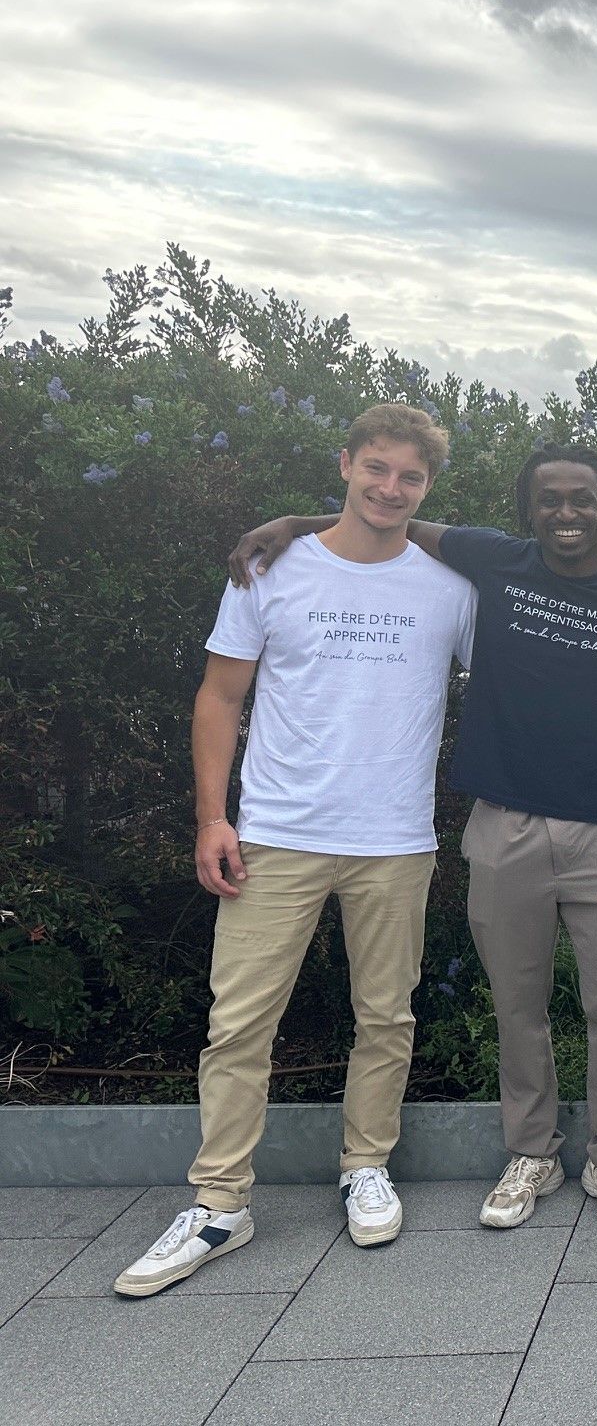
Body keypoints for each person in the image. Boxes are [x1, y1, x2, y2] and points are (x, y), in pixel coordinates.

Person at [222, 446, 597, 1232]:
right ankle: (531, 1152)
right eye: (550, 499)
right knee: (518, 1002)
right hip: (504, 825)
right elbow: (394, 518)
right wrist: (297, 523)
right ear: (528, 510)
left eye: (583, 498)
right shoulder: (494, 560)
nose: (566, 513)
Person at [118, 405, 477, 1297]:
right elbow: (219, 697)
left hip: (394, 839)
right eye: (377, 468)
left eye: (410, 476)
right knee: (239, 1025)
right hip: (276, 834)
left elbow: (517, 683)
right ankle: (219, 1204)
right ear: (346, 463)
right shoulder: (270, 568)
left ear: (428, 487)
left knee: (385, 1018)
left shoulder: (449, 585)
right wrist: (212, 818)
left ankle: (366, 1166)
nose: (390, 488)